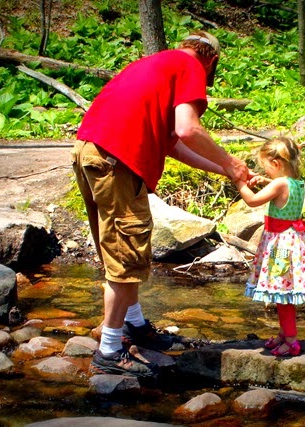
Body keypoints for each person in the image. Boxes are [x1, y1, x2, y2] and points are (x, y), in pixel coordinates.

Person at [72, 30, 252, 377]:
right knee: (127, 257)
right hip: (117, 161)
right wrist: (232, 162)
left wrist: (225, 171)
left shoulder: (157, 64)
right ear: (212, 61)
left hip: (91, 152)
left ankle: (135, 326)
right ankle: (108, 350)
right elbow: (188, 129)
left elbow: (173, 144)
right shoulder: (192, 67)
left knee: (120, 251)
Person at [233, 136, 305, 357]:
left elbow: (252, 201)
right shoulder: (296, 182)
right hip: (293, 241)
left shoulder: (279, 184)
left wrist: (238, 182)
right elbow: (279, 187)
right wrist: (264, 180)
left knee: (282, 293)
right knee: (281, 292)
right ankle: (284, 334)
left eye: (265, 167)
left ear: (276, 163)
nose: (264, 171)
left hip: (281, 246)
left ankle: (291, 340)